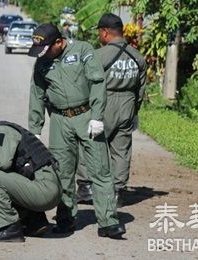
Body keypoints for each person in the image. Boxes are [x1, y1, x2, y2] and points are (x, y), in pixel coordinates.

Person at [27, 23, 125, 239]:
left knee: (99, 169)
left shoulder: (83, 51)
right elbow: (37, 93)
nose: (42, 55)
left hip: (87, 116)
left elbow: (98, 82)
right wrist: (35, 128)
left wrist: (97, 116)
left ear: (59, 42)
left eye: (46, 49)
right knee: (62, 172)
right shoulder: (42, 61)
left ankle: (108, 221)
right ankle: (65, 218)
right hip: (60, 120)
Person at [75, 14, 147, 207]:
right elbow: (141, 89)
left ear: (104, 32)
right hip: (128, 104)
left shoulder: (99, 56)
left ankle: (86, 187)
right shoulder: (137, 56)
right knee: (121, 150)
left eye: (99, 32)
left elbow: (84, 83)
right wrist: (134, 110)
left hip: (105, 103)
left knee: (88, 143)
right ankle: (117, 193)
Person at [0, 112, 62, 242]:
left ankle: (8, 228)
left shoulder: (2, 131)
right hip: (48, 188)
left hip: (45, 189)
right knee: (7, 176)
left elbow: (1, 162)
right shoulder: (4, 133)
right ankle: (35, 222)